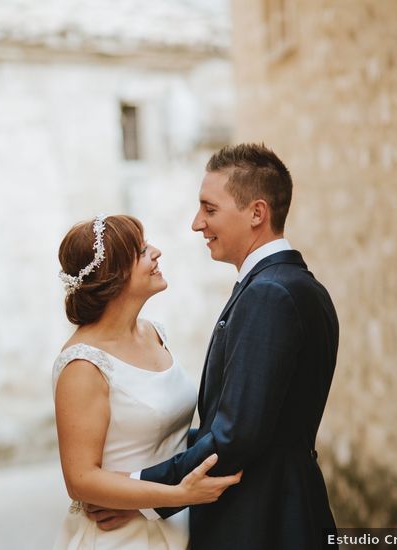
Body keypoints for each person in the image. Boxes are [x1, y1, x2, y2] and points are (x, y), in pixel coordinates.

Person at [87, 143, 340, 549]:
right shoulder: (299, 285)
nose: (196, 224)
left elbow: (236, 435)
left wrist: (144, 493)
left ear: (257, 213)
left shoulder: (269, 294)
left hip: (262, 520)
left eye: (209, 209)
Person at [51, 214, 242, 549]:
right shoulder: (83, 365)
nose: (156, 252)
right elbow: (80, 480)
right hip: (120, 538)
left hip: (172, 526)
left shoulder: (154, 333)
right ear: (114, 276)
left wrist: (156, 505)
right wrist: (174, 495)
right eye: (141, 251)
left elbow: (173, 437)